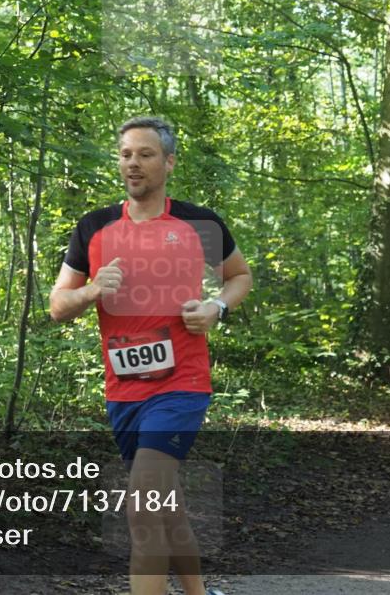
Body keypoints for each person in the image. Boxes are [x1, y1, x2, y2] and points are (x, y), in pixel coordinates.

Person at [50, 116, 252, 595]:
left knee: (143, 501)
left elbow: (239, 276)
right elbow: (58, 306)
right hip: (124, 390)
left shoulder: (198, 223)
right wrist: (93, 290)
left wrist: (215, 306)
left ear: (169, 162)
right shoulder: (95, 226)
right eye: (125, 154)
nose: (133, 164)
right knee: (165, 502)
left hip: (181, 382)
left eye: (144, 154)